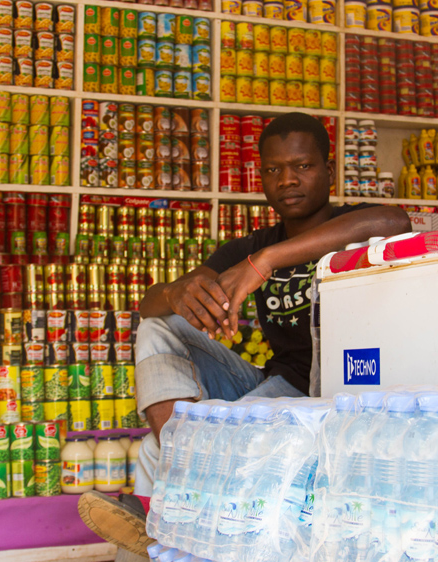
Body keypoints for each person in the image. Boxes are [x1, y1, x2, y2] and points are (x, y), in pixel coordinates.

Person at [78, 112, 412, 560]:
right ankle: (183, 471)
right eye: (273, 169)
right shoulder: (246, 247)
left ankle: (169, 512)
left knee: (215, 439)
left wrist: (266, 261)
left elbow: (395, 220)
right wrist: (176, 293)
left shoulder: (352, 224)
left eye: (302, 166)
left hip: (327, 394)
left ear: (329, 171)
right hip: (276, 382)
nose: (287, 179)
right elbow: (149, 304)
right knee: (158, 326)